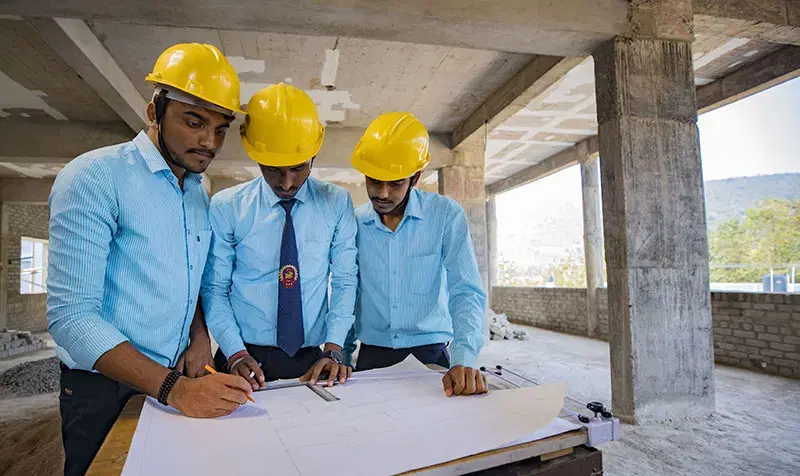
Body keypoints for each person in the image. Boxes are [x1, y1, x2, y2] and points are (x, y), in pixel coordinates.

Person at [47, 43, 255, 476]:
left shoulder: (196, 192)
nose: (209, 142)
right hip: (103, 390)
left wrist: (198, 338)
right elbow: (71, 317)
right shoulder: (95, 177)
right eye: (194, 122)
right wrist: (174, 389)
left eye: (220, 129)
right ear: (153, 112)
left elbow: (188, 280)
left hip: (175, 379)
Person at [202, 82, 358, 390]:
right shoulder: (228, 207)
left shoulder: (336, 203)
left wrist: (334, 348)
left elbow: (344, 281)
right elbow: (214, 289)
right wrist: (234, 351)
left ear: (314, 154)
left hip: (313, 358)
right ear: (255, 155)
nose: (286, 183)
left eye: (298, 168)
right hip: (242, 357)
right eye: (273, 169)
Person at [344, 112, 488, 396]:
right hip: (372, 354)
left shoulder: (445, 215)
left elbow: (466, 291)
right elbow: (347, 292)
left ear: (416, 177)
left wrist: (464, 359)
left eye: (396, 183)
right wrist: (342, 354)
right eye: (374, 181)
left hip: (430, 353)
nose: (383, 193)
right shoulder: (354, 222)